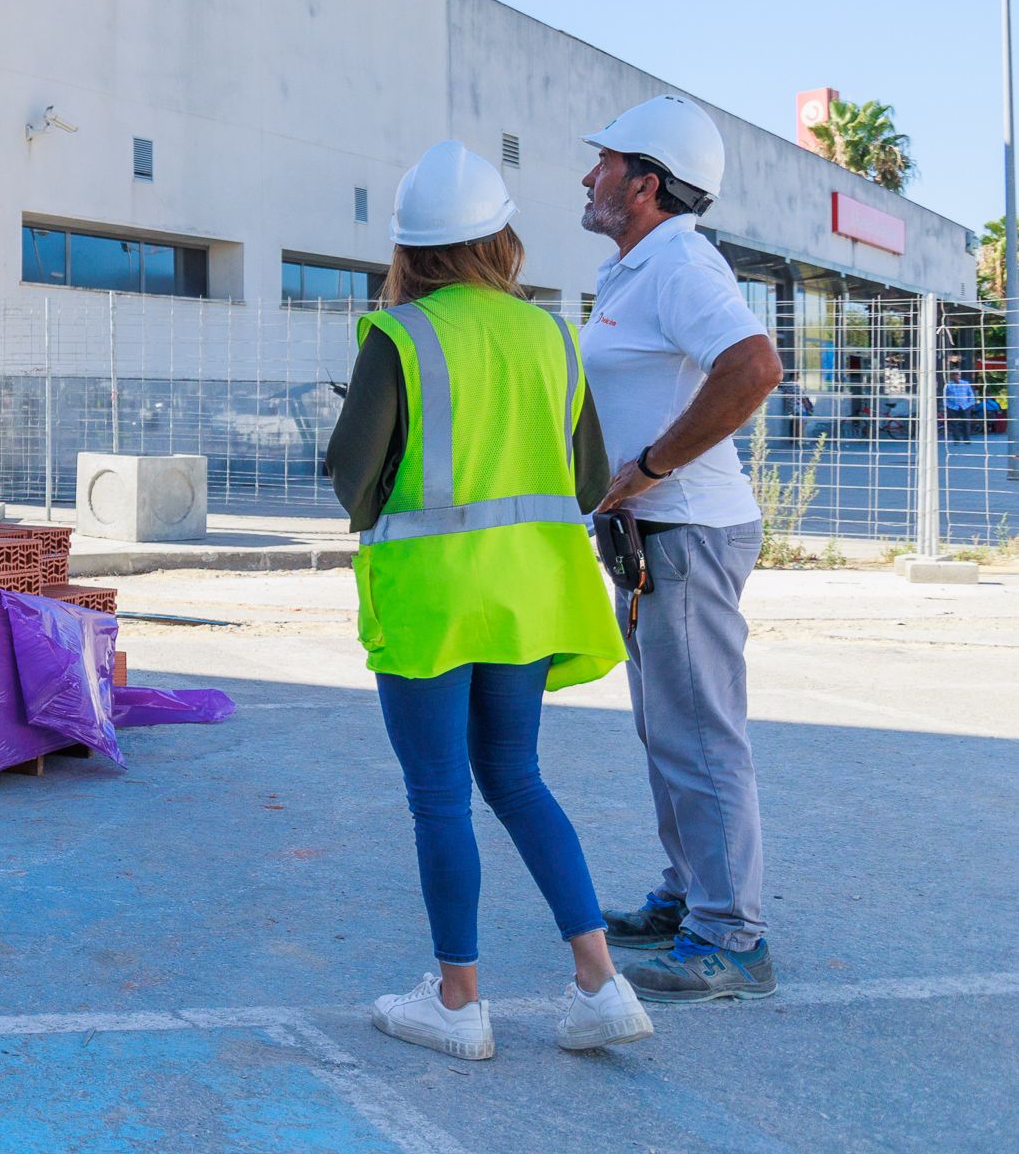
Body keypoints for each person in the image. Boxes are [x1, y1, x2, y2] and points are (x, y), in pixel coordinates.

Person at [328, 140, 651, 1061]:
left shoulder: (399, 334)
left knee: (440, 797)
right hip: (529, 599)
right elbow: (588, 477)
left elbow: (355, 486)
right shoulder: (553, 335)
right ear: (499, 237)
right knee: (516, 778)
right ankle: (599, 982)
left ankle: (459, 1002)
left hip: (432, 604)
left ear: (409, 248)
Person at [578, 94, 786, 1003]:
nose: (589, 176)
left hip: (690, 529)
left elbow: (754, 368)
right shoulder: (635, 268)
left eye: (606, 163)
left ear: (647, 183)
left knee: (700, 733)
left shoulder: (682, 265)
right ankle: (686, 897)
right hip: (649, 535)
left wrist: (655, 464)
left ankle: (732, 936)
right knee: (667, 726)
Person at [944, 363, 977, 442]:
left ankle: (967, 439)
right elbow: (944, 396)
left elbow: (971, 395)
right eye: (954, 374)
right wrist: (947, 405)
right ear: (951, 376)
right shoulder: (948, 385)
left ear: (960, 375)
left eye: (957, 374)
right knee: (954, 423)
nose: (956, 376)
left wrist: (970, 404)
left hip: (965, 406)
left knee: (966, 423)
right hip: (952, 406)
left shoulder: (965, 383)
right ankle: (956, 439)